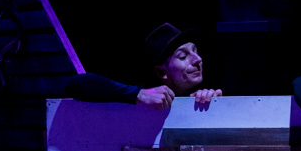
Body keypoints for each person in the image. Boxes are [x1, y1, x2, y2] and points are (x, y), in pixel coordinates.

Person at [65, 22, 222, 110]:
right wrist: (137, 94)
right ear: (161, 72)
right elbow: (75, 84)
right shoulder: (141, 99)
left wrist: (213, 105)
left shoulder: (198, 96)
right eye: (183, 56)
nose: (198, 59)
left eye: (195, 51)